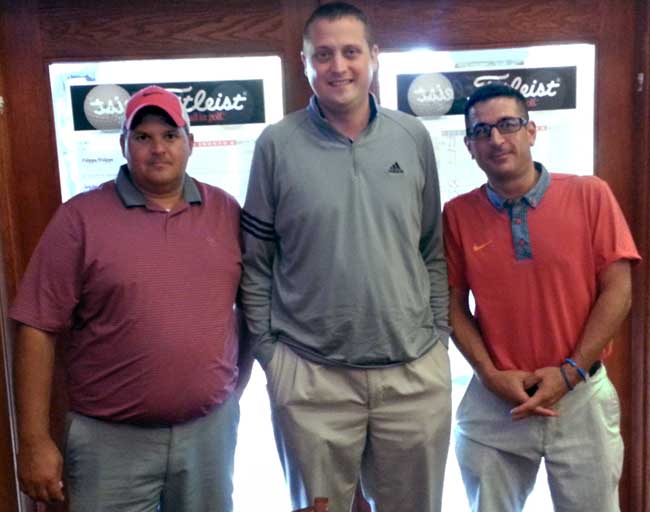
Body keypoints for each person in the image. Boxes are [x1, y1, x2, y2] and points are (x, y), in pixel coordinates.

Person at [240, 3, 451, 512]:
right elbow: (256, 262)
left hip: (413, 375)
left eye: (351, 52)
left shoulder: (412, 137)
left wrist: (438, 339)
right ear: (305, 61)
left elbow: (431, 250)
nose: (339, 66)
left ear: (374, 57)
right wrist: (274, 357)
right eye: (324, 54)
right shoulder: (276, 144)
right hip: (312, 377)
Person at [10, 85, 250, 511]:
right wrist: (33, 440)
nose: (158, 148)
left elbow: (252, 307)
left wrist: (233, 390)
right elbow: (36, 327)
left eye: (170, 135)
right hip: (109, 442)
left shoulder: (226, 211)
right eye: (143, 137)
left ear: (190, 143)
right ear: (123, 145)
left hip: (207, 435)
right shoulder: (80, 218)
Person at [443, 82, 641, 512]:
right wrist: (490, 374)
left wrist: (570, 371)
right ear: (469, 145)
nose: (496, 139)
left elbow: (618, 290)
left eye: (508, 125)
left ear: (531, 131)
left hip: (581, 397)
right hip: (496, 402)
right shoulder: (457, 214)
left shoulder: (590, 194)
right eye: (482, 131)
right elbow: (453, 305)